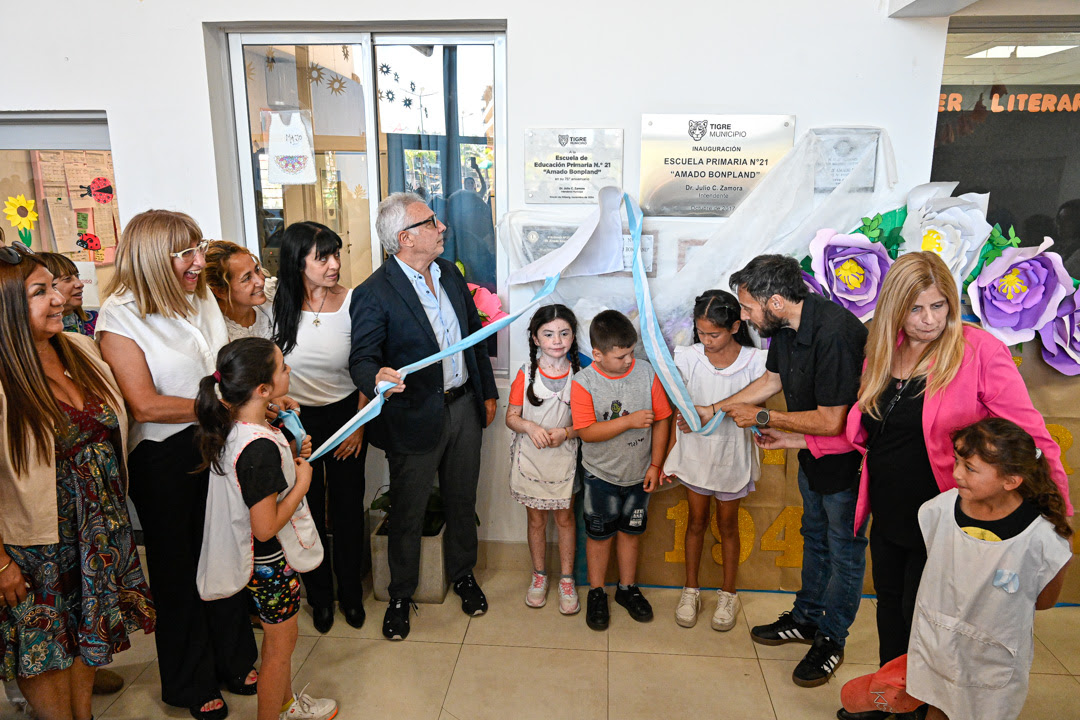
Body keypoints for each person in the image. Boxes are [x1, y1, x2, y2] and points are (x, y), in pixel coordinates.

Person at [756, 252, 1072, 719]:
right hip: (889, 510)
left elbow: (1033, 439)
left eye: (940, 307)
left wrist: (1055, 515)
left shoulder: (978, 350)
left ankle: (925, 708)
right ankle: (893, 697)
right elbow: (866, 436)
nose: (930, 320)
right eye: (916, 308)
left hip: (947, 520)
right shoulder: (884, 349)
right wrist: (795, 438)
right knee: (891, 612)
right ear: (895, 309)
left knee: (931, 623)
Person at [96, 210, 258, 720]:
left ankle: (234, 659)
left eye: (198, 247)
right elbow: (144, 404)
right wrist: (227, 407)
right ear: (151, 258)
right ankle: (190, 682)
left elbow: (220, 365)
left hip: (216, 441)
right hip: (166, 457)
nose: (198, 262)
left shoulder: (198, 296)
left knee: (226, 550)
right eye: (186, 252)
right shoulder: (118, 316)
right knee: (180, 570)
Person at [686, 254, 868, 688]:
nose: (744, 316)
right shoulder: (785, 331)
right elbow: (770, 383)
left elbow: (831, 421)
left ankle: (830, 639)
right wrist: (717, 407)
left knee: (844, 552)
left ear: (777, 301)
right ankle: (806, 618)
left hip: (847, 463)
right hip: (813, 456)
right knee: (814, 538)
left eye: (748, 308)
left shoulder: (836, 333)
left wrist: (765, 420)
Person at [0, 244, 154, 720]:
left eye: (54, 289)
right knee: (46, 648)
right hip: (37, 546)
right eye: (39, 292)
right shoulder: (5, 379)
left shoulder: (80, 348)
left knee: (88, 633)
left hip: (97, 531)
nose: (58, 300)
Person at [350, 192, 499, 641]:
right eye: (432, 222)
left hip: (463, 407)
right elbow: (361, 358)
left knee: (461, 499)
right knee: (408, 511)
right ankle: (400, 594)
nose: (443, 228)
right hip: (413, 418)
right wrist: (375, 376)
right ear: (405, 237)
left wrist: (486, 393)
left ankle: (464, 576)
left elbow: (473, 335)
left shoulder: (449, 275)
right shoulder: (373, 292)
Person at [193, 338, 338, 720]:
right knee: (279, 647)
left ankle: (288, 705)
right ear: (262, 389)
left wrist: (289, 454)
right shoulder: (258, 448)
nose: (289, 372)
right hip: (269, 563)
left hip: (263, 563)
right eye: (283, 368)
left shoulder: (241, 428)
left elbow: (256, 487)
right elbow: (265, 525)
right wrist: (303, 484)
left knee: (280, 643)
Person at [908, 418, 1071, 720]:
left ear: (1011, 480)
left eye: (969, 468)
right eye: (957, 461)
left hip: (993, 663)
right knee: (938, 703)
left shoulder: (1043, 539)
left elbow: (1045, 602)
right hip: (938, 646)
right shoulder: (937, 511)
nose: (956, 473)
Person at [272, 222, 367, 635]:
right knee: (304, 508)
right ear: (298, 262)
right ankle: (319, 596)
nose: (334, 264)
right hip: (296, 420)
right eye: (322, 257)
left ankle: (350, 594)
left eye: (336, 253)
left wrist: (358, 425)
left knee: (347, 507)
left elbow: (367, 362)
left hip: (347, 413)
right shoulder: (276, 304)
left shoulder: (354, 301)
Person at [661, 290, 766, 631]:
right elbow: (679, 403)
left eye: (714, 334)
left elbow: (758, 409)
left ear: (736, 326)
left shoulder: (756, 362)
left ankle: (728, 592)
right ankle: (690, 589)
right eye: (701, 332)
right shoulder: (689, 357)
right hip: (697, 455)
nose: (706, 340)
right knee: (695, 521)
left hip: (731, 456)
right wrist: (681, 420)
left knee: (728, 526)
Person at [571, 310, 673, 631]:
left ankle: (627, 589)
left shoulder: (645, 373)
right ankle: (597, 592)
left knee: (631, 533)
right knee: (599, 537)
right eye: (621, 356)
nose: (629, 360)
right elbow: (586, 431)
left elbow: (662, 419)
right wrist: (628, 421)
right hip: (599, 477)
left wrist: (656, 464)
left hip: (639, 474)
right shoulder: (583, 382)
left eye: (631, 352)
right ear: (597, 354)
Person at [505, 304, 581, 614]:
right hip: (531, 460)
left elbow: (587, 424)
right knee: (536, 520)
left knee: (565, 519)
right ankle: (538, 576)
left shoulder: (582, 375)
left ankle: (566, 580)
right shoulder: (525, 373)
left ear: (573, 336)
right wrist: (529, 426)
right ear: (536, 339)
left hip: (564, 459)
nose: (557, 340)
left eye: (564, 333)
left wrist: (567, 432)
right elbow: (511, 417)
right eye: (548, 334)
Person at [203, 241, 275, 342]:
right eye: (247, 278)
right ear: (221, 291)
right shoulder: (215, 335)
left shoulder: (271, 306)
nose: (261, 282)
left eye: (257, 269)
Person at [37, 252, 97, 337]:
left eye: (77, 277)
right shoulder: (37, 334)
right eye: (67, 279)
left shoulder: (97, 320)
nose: (80, 284)